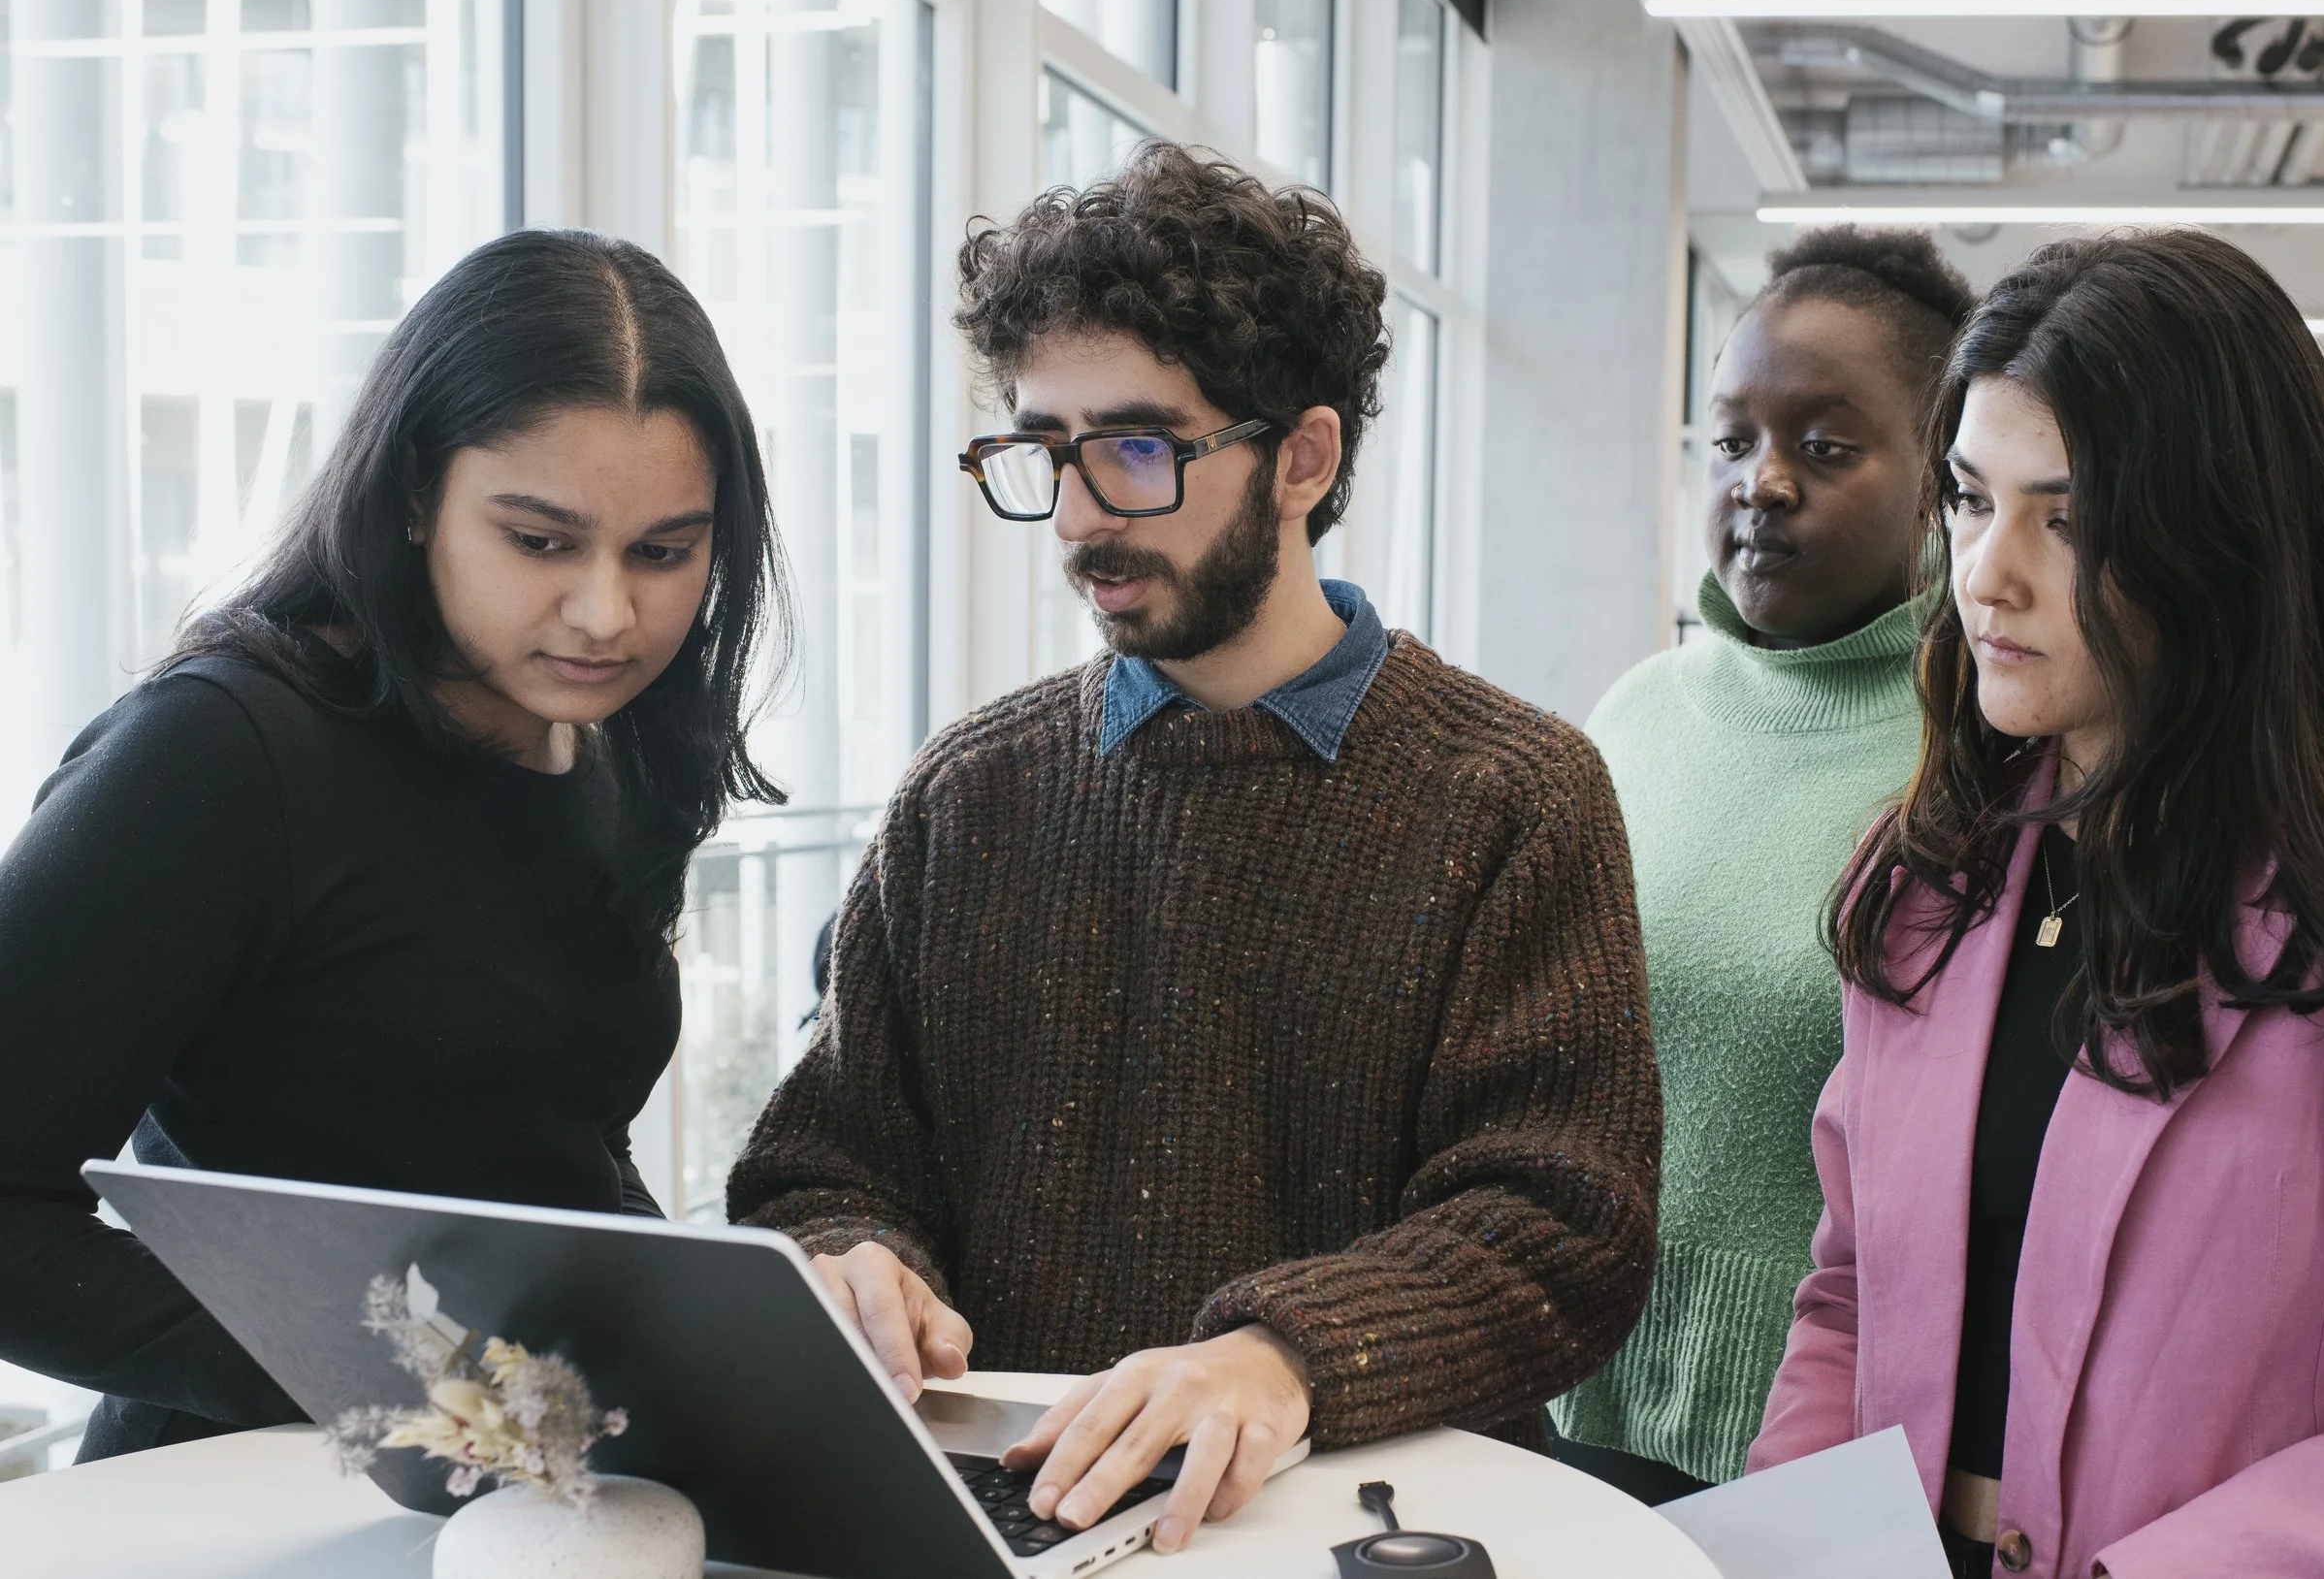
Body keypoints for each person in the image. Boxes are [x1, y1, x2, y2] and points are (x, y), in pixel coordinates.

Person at [728, 143, 1661, 1558]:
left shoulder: (1514, 793)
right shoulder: (967, 792)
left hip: (1355, 1517)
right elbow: (827, 1159)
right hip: (1009, 1517)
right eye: (1046, 449)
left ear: (1304, 455)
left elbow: (1560, 1225)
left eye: (1140, 447)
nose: (1085, 513)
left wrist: (1280, 1356)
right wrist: (859, 1262)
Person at [0, 228, 788, 1461]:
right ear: (414, 491)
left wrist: (703, 1326)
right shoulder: (221, 752)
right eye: (539, 540)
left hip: (513, 1479)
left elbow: (552, 1138)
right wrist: (391, 1382)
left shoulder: (610, 742)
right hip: (243, 1487)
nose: (606, 611)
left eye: (663, 551)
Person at [1750, 229, 2324, 1578]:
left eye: (2066, 516)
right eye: (1968, 497)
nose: (1987, 573)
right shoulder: (1925, 874)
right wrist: (1788, 1549)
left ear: (2218, 539)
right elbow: (1848, 1296)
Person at [1550, 228, 1974, 1502]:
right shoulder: (1634, 710)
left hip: (1826, 1452)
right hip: (1566, 1391)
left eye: (1826, 446)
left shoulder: (1978, 758)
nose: (1763, 482)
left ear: (1941, 479)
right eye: (1733, 440)